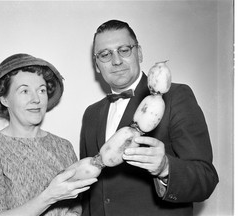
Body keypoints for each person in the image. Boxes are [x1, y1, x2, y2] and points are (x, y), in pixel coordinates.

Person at [80, 19, 219, 216]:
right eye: (105, 54)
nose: (116, 60)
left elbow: (206, 178)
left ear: (139, 52)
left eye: (124, 50)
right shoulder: (91, 114)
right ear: (96, 64)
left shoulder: (176, 97)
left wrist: (165, 168)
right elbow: (90, 192)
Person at [0, 53, 97, 216]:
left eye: (41, 90)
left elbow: (78, 202)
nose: (36, 99)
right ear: (5, 100)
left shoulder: (63, 146)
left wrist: (74, 213)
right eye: (24, 91)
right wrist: (49, 196)